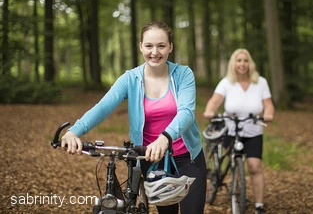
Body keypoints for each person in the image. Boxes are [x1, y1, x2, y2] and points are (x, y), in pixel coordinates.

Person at [61, 21, 206, 214]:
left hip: (187, 157)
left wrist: (164, 138)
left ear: (170, 47)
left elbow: (186, 113)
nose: (155, 52)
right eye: (149, 46)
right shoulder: (130, 78)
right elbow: (103, 107)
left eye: (161, 45)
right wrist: (73, 131)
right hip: (150, 158)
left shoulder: (183, 74)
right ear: (141, 47)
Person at [203, 48, 275, 214]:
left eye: (245, 60)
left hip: (253, 130)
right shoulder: (227, 82)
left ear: (250, 64)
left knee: (254, 166)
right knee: (233, 161)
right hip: (231, 129)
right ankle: (237, 194)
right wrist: (209, 111)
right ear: (233, 64)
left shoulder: (260, 82)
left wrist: (268, 114)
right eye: (239, 60)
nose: (242, 64)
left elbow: (268, 104)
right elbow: (214, 101)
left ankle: (259, 205)